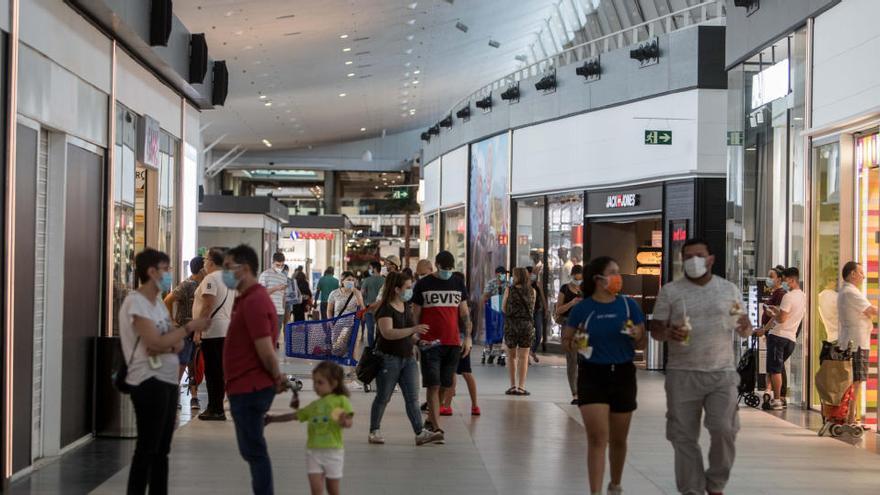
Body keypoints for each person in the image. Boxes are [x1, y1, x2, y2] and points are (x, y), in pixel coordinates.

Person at [651, 238, 753, 495]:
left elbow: (741, 321)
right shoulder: (671, 291)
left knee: (724, 429)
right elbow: (656, 329)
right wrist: (667, 332)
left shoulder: (728, 289)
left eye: (698, 255)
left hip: (722, 373)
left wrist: (745, 327)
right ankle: (692, 489)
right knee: (682, 436)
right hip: (682, 373)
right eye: (687, 256)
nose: (693, 260)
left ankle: (716, 483)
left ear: (710, 259)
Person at [120, 249, 208, 494]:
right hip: (147, 382)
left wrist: (169, 339)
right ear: (151, 272)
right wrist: (187, 328)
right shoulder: (135, 303)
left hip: (166, 381)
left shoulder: (158, 303)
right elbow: (155, 342)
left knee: (162, 450)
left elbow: (175, 343)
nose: (169, 274)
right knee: (147, 447)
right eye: (166, 269)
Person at [563, 256, 645, 495]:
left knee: (618, 439)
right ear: (598, 279)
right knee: (598, 438)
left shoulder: (629, 306)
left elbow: (642, 342)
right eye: (613, 272)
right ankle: (595, 492)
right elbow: (567, 342)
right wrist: (577, 341)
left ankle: (615, 484)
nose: (617, 277)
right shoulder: (583, 309)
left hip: (623, 374)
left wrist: (635, 334)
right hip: (592, 375)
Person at [223, 244, 286, 495]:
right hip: (245, 385)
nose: (225, 273)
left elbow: (264, 348)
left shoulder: (254, 302)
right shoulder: (249, 299)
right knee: (252, 450)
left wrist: (276, 375)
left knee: (254, 451)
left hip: (250, 387)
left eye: (229, 268)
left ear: (245, 269)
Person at [367, 272, 445, 446]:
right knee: (383, 397)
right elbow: (388, 333)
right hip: (388, 358)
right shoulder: (385, 309)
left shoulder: (406, 306)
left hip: (408, 358)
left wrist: (419, 340)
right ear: (396, 289)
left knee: (413, 398)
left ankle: (419, 433)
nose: (410, 291)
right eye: (408, 288)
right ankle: (374, 430)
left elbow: (408, 333)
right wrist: (413, 330)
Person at [266, 362, 353, 495]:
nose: (316, 387)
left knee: (332, 489)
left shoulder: (341, 400)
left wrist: (344, 421)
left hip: (333, 452)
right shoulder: (314, 406)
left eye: (320, 382)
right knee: (316, 491)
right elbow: (295, 416)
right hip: (313, 452)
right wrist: (272, 419)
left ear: (334, 383)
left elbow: (348, 422)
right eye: (314, 383)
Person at [412, 251, 472, 439]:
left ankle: (431, 418)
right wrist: (415, 338)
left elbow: (464, 312)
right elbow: (415, 313)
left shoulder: (457, 283)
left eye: (449, 269)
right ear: (436, 265)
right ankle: (436, 427)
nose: (446, 271)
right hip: (429, 343)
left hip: (452, 341)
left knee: (446, 385)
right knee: (433, 384)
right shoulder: (423, 284)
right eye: (443, 268)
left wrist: (468, 337)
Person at [193, 247, 236, 421]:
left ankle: (215, 408)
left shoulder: (211, 278)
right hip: (224, 329)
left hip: (212, 330)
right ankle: (216, 406)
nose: (204, 262)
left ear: (212, 261)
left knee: (213, 371)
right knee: (218, 371)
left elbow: (208, 305)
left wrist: (198, 330)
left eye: (206, 259)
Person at [757, 267, 805, 410]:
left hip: (779, 336)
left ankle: (777, 399)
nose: (784, 283)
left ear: (791, 280)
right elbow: (787, 315)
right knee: (777, 367)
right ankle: (778, 396)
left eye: (785, 280)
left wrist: (773, 314)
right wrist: (766, 327)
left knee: (775, 369)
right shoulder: (803, 296)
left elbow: (782, 318)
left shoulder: (787, 296)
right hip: (791, 337)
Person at [838, 261, 878, 429]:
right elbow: (872, 310)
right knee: (856, 380)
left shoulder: (847, 291)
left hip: (854, 341)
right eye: (861, 272)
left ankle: (850, 416)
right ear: (852, 274)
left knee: (855, 380)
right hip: (857, 343)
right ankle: (850, 417)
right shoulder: (851, 292)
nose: (863, 276)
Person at [164, 255, 205, 410]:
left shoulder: (204, 284)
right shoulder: (187, 285)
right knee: (181, 363)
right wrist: (172, 320)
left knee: (194, 364)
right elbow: (168, 300)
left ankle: (194, 397)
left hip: (198, 331)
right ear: (201, 269)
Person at [440, 271, 480, 417]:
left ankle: (447, 405)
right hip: (463, 338)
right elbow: (472, 322)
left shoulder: (457, 300)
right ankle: (475, 405)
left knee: (452, 373)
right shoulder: (470, 302)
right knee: (466, 373)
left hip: (457, 338)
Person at [502, 267, 536, 395]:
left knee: (511, 357)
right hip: (526, 326)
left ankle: (512, 386)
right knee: (524, 357)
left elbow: (503, 308)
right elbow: (532, 309)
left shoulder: (509, 290)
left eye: (514, 275)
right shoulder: (533, 291)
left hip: (511, 325)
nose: (512, 278)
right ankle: (521, 387)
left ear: (518, 277)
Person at [556, 264, 584, 404]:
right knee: (572, 360)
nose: (578, 281)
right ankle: (575, 394)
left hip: (583, 328)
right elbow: (558, 310)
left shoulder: (587, 290)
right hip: (569, 326)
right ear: (571, 276)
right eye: (575, 278)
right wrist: (572, 303)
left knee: (584, 359)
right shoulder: (565, 289)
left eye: (580, 279)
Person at [259, 253, 290, 340]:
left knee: (275, 338)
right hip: (267, 312)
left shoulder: (284, 277)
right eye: (277, 265)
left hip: (280, 312)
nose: (280, 267)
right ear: (272, 263)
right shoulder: (265, 275)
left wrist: (283, 309)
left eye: (282, 265)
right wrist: (276, 288)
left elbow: (283, 295)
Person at [361, 261, 386, 347]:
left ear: (374, 269)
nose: (369, 270)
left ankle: (371, 349)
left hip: (369, 309)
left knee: (370, 331)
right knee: (380, 331)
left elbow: (362, 294)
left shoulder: (367, 280)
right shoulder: (385, 280)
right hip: (381, 309)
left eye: (370, 268)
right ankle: (379, 348)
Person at [527, 265, 547, 362]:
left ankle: (532, 351)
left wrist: (546, 309)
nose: (532, 276)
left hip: (537, 311)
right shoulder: (524, 284)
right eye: (530, 274)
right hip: (527, 312)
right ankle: (527, 356)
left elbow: (542, 296)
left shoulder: (537, 284)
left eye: (533, 274)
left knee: (539, 334)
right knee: (528, 335)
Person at [817, 269, 839, 342]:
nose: (836, 282)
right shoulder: (837, 297)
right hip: (840, 337)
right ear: (829, 280)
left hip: (830, 338)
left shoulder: (818, 297)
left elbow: (821, 319)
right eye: (835, 279)